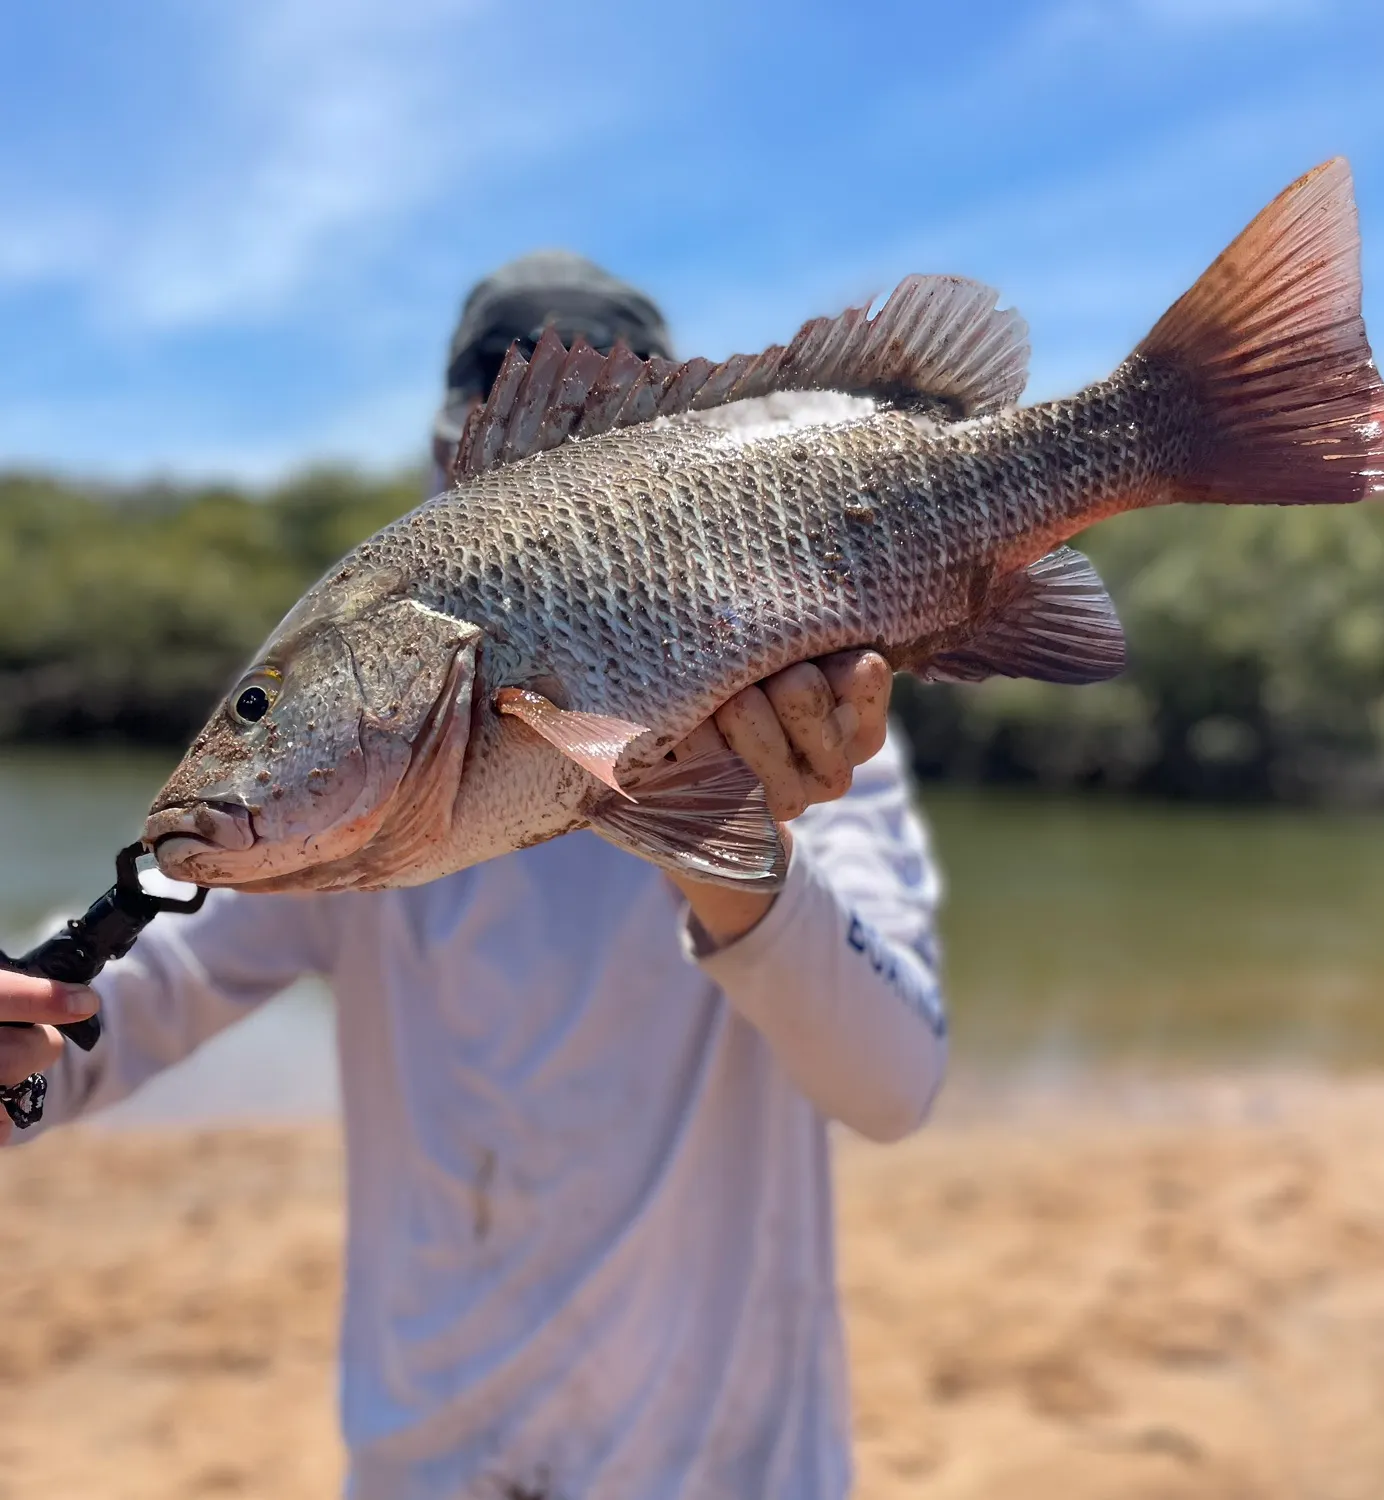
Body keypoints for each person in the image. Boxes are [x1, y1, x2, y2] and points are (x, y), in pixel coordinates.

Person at [0, 252, 947, 1500]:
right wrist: (21, 1037)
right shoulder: (339, 804)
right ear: (450, 480)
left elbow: (894, 1083)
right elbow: (109, 1016)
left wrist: (736, 839)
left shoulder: (824, 742)